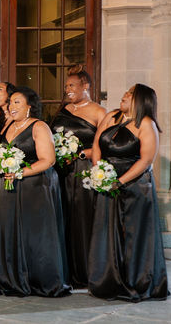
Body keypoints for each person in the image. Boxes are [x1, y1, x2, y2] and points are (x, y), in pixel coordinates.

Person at [88, 84, 170, 302]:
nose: (124, 95)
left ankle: (137, 281)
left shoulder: (146, 124)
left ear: (141, 100)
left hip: (135, 184)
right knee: (107, 231)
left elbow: (146, 160)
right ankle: (108, 280)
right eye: (126, 91)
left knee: (135, 234)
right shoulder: (112, 116)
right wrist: (100, 171)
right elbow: (97, 144)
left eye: (130, 93)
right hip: (107, 181)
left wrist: (119, 181)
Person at [0, 87, 69, 297]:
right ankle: (14, 279)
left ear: (30, 106)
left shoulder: (39, 126)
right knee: (10, 230)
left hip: (35, 186)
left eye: (17, 102)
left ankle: (40, 280)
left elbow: (48, 160)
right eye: (11, 102)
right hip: (9, 186)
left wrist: (20, 172)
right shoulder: (8, 126)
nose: (12, 106)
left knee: (34, 234)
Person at [50, 66, 106, 289]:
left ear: (86, 86)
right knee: (63, 218)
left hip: (83, 170)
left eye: (72, 85)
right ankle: (65, 271)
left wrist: (80, 153)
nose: (68, 89)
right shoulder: (63, 110)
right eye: (66, 86)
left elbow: (104, 145)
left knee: (82, 220)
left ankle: (86, 272)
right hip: (61, 171)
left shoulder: (99, 112)